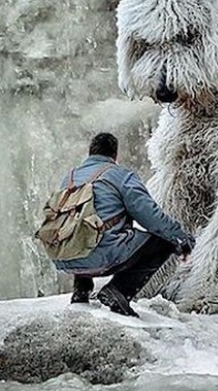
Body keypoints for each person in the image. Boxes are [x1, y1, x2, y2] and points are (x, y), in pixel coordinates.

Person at [54, 132, 195, 317]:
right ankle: (119, 290)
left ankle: (81, 291)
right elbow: (150, 216)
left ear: (90, 153)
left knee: (84, 227)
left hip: (64, 256)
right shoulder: (120, 175)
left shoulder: (71, 177)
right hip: (101, 255)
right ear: (115, 155)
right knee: (161, 243)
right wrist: (180, 238)